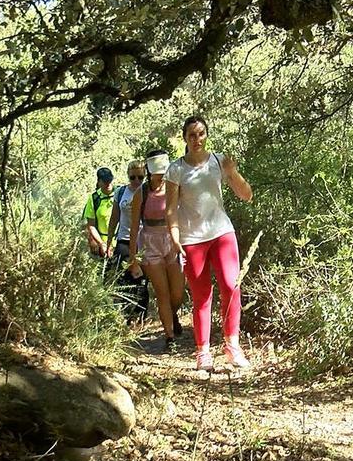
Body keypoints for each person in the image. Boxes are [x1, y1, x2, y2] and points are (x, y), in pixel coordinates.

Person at [165, 116, 253, 370]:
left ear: (207, 135)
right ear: (184, 138)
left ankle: (232, 346)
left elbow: (246, 195)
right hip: (192, 239)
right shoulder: (176, 169)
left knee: (231, 285)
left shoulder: (218, 161)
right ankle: (202, 352)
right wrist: (174, 237)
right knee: (202, 296)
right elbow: (171, 209)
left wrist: (232, 171)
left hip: (222, 232)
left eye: (201, 134)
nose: (197, 139)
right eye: (192, 135)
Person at [127, 151, 186, 348]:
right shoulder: (140, 195)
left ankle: (173, 314)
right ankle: (169, 337)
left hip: (173, 240)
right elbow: (134, 226)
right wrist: (133, 258)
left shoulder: (175, 188)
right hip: (150, 243)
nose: (162, 175)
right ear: (150, 171)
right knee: (162, 293)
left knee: (177, 293)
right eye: (158, 172)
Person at [106, 160, 150, 323]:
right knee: (124, 278)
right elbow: (114, 217)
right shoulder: (120, 192)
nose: (137, 181)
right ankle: (126, 316)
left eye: (140, 177)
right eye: (133, 178)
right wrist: (109, 240)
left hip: (144, 241)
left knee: (142, 280)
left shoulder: (147, 192)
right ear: (128, 176)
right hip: (123, 240)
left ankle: (141, 316)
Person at [82, 167, 116, 261]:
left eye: (110, 180)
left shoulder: (120, 193)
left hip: (121, 242)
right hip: (103, 245)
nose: (108, 183)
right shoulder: (94, 198)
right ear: (99, 182)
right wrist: (101, 244)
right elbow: (91, 225)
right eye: (105, 181)